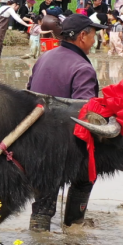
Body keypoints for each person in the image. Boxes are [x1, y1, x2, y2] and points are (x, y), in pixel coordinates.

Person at [26, 13, 109, 231]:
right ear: (82, 36)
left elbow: (28, 94)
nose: (95, 41)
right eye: (94, 36)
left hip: (35, 139)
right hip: (63, 144)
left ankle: (39, 228)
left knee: (43, 201)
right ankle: (74, 227)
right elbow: (84, 115)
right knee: (86, 173)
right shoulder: (83, 69)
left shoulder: (45, 57)